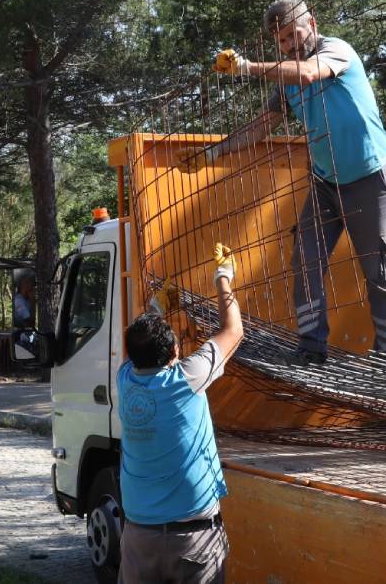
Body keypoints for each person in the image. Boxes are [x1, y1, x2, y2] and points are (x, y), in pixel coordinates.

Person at [177, 0, 386, 367]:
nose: (288, 45)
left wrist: (246, 67)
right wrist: (212, 154)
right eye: (281, 41)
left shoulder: (337, 51)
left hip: (368, 177)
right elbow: (262, 126)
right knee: (305, 259)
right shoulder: (286, 81)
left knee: (378, 268)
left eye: (292, 34)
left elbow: (309, 73)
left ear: (311, 23)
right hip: (325, 183)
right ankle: (312, 348)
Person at [117, 243, 243, 583]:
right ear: (176, 350)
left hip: (139, 535)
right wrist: (224, 276)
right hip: (194, 537)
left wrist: (157, 307)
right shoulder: (186, 378)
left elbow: (134, 344)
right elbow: (233, 331)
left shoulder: (126, 379)